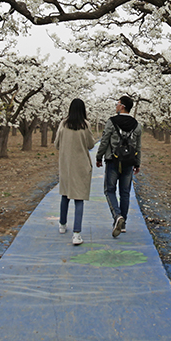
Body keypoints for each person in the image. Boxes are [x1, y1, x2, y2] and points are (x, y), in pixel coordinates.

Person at [95, 95, 142, 238]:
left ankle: (117, 216)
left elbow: (104, 141)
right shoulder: (137, 125)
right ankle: (123, 224)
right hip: (128, 162)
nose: (116, 106)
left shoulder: (111, 122)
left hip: (113, 160)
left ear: (122, 106)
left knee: (109, 190)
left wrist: (99, 157)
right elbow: (138, 147)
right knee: (125, 192)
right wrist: (137, 162)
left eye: (117, 103)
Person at [54, 98, 97, 245]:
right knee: (79, 198)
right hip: (81, 166)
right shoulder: (85, 125)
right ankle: (76, 234)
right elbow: (91, 144)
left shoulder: (63, 124)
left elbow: (57, 144)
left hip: (66, 165)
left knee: (65, 195)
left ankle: (62, 224)